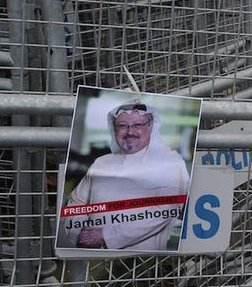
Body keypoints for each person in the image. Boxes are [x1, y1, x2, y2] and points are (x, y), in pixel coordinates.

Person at [60, 101, 190, 251]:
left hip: (142, 263)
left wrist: (105, 236)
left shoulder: (168, 164)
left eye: (137, 125)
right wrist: (80, 232)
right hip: (92, 256)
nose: (129, 131)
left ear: (151, 127)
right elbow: (77, 202)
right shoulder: (101, 163)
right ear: (114, 129)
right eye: (122, 125)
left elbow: (163, 211)